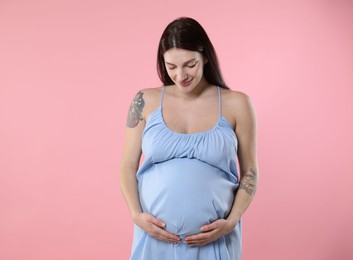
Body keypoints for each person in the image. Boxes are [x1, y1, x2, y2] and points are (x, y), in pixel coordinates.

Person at [119, 17, 258, 260]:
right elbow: (127, 165)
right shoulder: (144, 101)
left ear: (205, 56)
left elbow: (250, 172)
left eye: (189, 64)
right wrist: (136, 215)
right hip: (154, 239)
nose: (180, 75)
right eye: (171, 66)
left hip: (215, 240)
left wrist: (231, 221)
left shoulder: (238, 104)